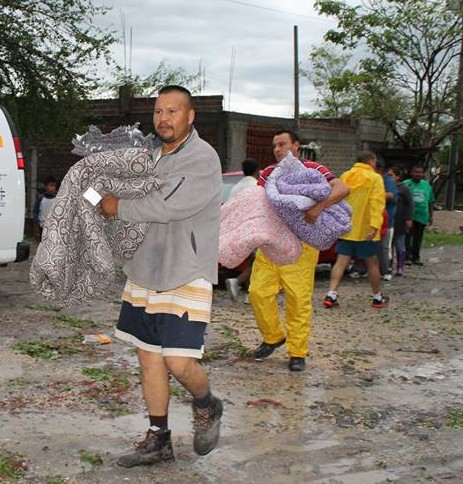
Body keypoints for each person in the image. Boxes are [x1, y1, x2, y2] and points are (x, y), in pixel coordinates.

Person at [99, 85, 223, 467]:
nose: (164, 119)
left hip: (185, 271)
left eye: (172, 111)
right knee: (149, 357)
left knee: (179, 362)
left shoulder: (202, 158)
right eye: (158, 112)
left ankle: (207, 404)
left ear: (190, 116)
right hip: (144, 271)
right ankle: (159, 438)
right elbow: (116, 199)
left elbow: (165, 205)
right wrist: (90, 189)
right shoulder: (148, 157)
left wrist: (116, 205)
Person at [248, 129, 350, 372]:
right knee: (257, 292)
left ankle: (297, 353)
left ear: (296, 146)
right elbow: (257, 201)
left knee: (298, 299)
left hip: (303, 246)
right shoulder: (269, 174)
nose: (278, 149)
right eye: (275, 146)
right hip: (271, 244)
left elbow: (342, 188)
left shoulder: (313, 169)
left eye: (282, 144)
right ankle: (273, 337)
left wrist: (318, 207)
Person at [323, 150, 389, 309]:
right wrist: (374, 227)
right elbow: (376, 203)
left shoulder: (346, 175)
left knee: (341, 262)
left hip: (347, 228)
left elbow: (337, 198)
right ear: (371, 161)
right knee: (372, 263)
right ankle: (377, 297)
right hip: (366, 230)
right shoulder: (375, 178)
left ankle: (331, 294)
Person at [225, 158, 260, 302]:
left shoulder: (236, 187)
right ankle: (237, 283)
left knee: (253, 261)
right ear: (257, 171)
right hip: (253, 228)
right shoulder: (257, 186)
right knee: (260, 262)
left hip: (238, 229)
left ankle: (249, 294)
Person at [403, 165, 435, 265]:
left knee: (418, 238)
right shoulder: (406, 184)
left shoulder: (426, 185)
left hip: (422, 216)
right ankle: (407, 257)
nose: (418, 174)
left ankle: (416, 257)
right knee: (407, 237)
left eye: (420, 172)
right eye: (416, 172)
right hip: (409, 216)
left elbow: (430, 201)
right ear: (411, 173)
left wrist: (431, 215)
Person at [389, 166, 414, 276]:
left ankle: (400, 267)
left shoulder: (404, 188)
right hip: (389, 220)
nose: (389, 178)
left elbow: (410, 204)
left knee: (400, 244)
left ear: (398, 176)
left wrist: (408, 218)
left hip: (400, 220)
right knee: (388, 246)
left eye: (391, 175)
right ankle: (388, 266)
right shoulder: (387, 187)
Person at [376, 159, 397, 281]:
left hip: (386, 221)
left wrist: (372, 193)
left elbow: (390, 195)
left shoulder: (388, 181)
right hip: (371, 219)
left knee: (384, 247)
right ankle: (361, 269)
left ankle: (386, 270)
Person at [33, 176, 58, 242]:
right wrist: (36, 226)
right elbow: (35, 212)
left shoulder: (57, 199)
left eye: (54, 186)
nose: (52, 188)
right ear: (46, 186)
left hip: (53, 227)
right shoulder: (40, 198)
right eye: (50, 185)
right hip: (42, 227)